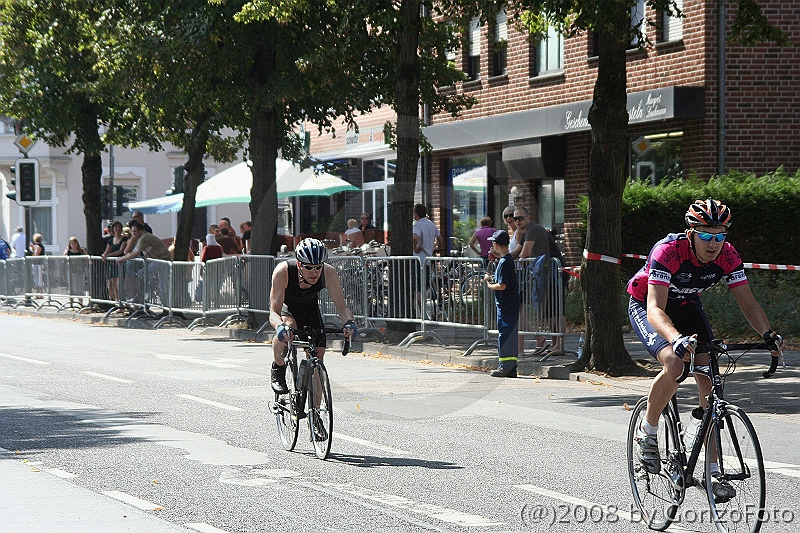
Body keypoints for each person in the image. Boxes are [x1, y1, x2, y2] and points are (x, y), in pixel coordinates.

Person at [628, 199, 784, 501]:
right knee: (675, 363)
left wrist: (767, 334)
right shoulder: (668, 251)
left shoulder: (728, 256)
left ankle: (712, 471)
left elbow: (748, 303)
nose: (714, 244)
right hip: (649, 306)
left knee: (711, 384)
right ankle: (647, 431)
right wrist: (675, 339)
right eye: (707, 236)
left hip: (688, 306)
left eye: (720, 235)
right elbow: (655, 309)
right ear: (692, 233)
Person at [268, 238, 356, 440]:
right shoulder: (283, 271)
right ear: (299, 264)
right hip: (287, 309)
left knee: (318, 358)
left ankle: (314, 415)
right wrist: (279, 327)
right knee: (288, 329)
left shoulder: (328, 273)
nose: (314, 272)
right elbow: (273, 312)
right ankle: (278, 366)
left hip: (310, 310)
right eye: (309, 267)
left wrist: (349, 323)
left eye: (317, 267)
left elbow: (342, 308)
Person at [511, 206, 551, 354]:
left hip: (546, 272)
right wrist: (503, 257)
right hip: (534, 274)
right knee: (520, 309)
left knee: (550, 310)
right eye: (515, 218)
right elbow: (517, 252)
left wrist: (513, 259)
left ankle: (555, 344)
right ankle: (537, 341)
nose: (517, 221)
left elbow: (525, 253)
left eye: (520, 218)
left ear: (528, 217)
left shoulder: (533, 229)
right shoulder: (523, 232)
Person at [483, 230, 520, 377]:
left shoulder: (505, 263)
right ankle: (510, 368)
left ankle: (505, 367)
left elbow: (502, 285)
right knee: (508, 335)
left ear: (496, 244)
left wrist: (489, 283)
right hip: (508, 303)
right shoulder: (507, 260)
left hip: (506, 304)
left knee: (505, 335)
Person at [101, 221, 128, 301]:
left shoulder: (124, 239)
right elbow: (107, 250)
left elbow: (121, 251)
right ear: (113, 229)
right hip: (113, 265)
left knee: (120, 285)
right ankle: (117, 301)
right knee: (114, 285)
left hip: (121, 264)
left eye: (119, 227)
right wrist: (104, 255)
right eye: (115, 227)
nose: (117, 229)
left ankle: (123, 302)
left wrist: (108, 256)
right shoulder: (111, 240)